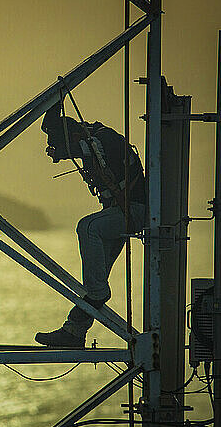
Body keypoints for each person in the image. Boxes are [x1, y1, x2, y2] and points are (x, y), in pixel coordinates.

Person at [34, 100, 146, 348]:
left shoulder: (102, 140)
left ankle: (96, 295)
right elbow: (57, 130)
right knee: (97, 280)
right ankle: (74, 331)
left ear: (74, 136)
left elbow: (84, 147)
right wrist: (55, 104)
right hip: (116, 213)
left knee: (88, 227)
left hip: (134, 212)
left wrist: (62, 147)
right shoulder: (89, 138)